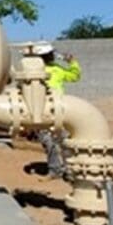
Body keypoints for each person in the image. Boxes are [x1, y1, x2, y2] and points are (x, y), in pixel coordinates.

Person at [30, 44, 81, 177]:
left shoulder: (57, 69)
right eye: (51, 54)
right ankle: (55, 170)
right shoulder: (33, 70)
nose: (53, 56)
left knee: (64, 140)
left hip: (59, 108)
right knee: (47, 141)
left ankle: (69, 170)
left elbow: (74, 77)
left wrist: (73, 63)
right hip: (42, 109)